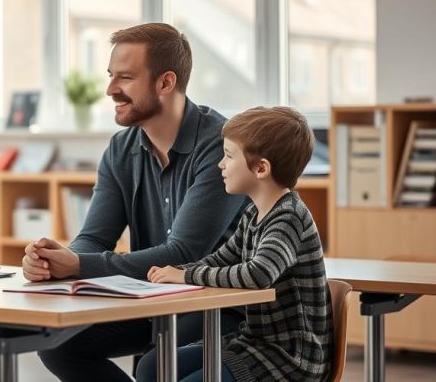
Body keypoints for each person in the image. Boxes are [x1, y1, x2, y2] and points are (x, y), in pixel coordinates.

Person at [22, 23, 249, 382]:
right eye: (111, 76)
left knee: (155, 367)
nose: (110, 89)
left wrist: (78, 265)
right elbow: (94, 239)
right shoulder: (120, 149)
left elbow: (183, 253)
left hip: (219, 307)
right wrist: (54, 262)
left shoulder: (221, 147)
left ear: (165, 83)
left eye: (125, 78)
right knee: (56, 345)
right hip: (153, 299)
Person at [139, 106, 333, 382]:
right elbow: (221, 259)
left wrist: (186, 275)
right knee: (151, 367)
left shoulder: (288, 217)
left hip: (288, 358)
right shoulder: (253, 213)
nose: (221, 164)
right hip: (252, 344)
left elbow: (259, 273)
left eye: (228, 156)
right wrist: (172, 273)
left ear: (261, 168)